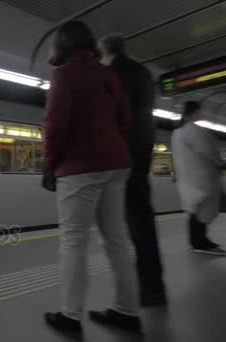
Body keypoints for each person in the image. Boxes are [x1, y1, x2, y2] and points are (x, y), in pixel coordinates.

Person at [42, 21, 141, 339]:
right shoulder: (107, 73)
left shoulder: (64, 74)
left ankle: (71, 317)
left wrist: (50, 163)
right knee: (117, 241)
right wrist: (108, 144)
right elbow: (126, 118)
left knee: (74, 243)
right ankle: (127, 311)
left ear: (61, 46)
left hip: (79, 167)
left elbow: (55, 125)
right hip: (116, 164)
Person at [100, 34, 167, 306]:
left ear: (106, 52)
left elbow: (110, 115)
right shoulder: (143, 72)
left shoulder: (112, 73)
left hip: (122, 152)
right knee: (142, 220)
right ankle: (152, 286)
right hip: (142, 149)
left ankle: (139, 292)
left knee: (125, 225)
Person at [171, 101, 226, 256]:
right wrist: (221, 163)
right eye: (200, 111)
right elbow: (209, 151)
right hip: (201, 179)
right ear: (195, 112)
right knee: (201, 211)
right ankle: (200, 243)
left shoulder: (177, 132)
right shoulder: (193, 130)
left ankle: (199, 241)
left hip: (189, 180)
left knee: (196, 212)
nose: (201, 114)